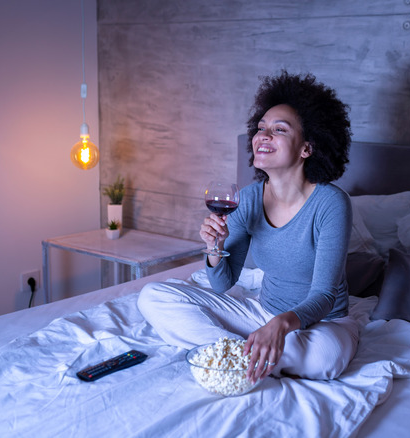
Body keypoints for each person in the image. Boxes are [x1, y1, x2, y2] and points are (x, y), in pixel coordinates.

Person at [137, 70, 355, 384]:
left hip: (320, 324)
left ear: (307, 148)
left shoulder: (331, 203)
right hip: (262, 314)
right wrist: (214, 248)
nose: (262, 136)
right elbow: (223, 284)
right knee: (152, 296)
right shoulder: (248, 199)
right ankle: (248, 352)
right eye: (261, 127)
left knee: (324, 359)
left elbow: (323, 295)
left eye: (279, 129)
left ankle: (236, 353)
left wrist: (279, 326)